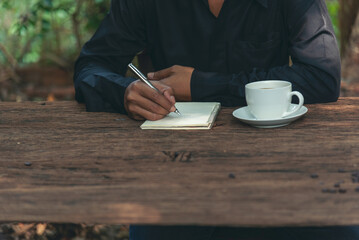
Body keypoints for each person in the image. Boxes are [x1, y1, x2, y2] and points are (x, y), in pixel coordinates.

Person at [74, 0, 358, 239]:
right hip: (172, 175)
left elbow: (322, 78)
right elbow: (91, 66)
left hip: (276, 172)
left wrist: (201, 85)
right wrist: (124, 92)